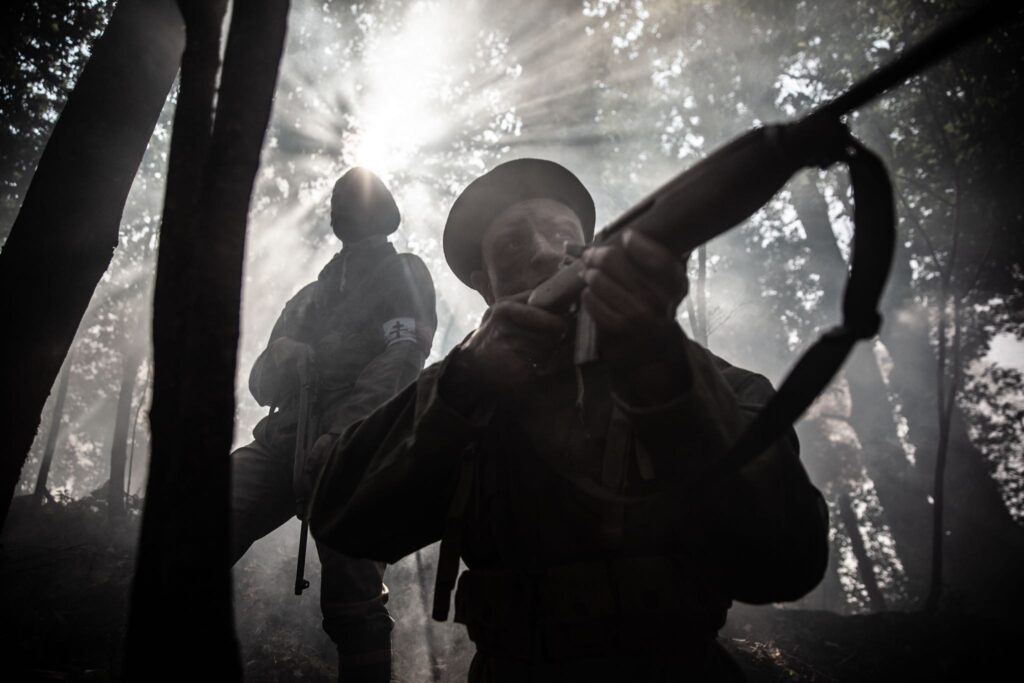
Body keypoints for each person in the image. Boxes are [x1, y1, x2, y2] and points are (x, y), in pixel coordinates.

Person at [309, 159, 828, 682]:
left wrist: (661, 367)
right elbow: (340, 513)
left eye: (564, 234)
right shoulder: (462, 390)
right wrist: (463, 383)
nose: (546, 251)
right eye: (513, 245)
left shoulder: (706, 380)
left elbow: (787, 562)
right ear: (485, 285)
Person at [230, 167, 436, 683]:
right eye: (341, 201)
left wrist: (345, 430)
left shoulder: (403, 273)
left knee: (354, 597)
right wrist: (281, 354)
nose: (347, 208)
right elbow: (260, 384)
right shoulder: (306, 298)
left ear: (384, 213)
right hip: (284, 439)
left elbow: (402, 355)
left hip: (360, 443)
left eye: (359, 201)